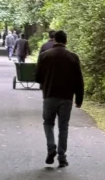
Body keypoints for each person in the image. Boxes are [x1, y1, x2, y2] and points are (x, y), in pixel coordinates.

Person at [36, 30, 84, 169]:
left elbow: (38, 77)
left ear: (54, 40)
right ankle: (62, 157)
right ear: (66, 41)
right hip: (66, 97)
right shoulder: (73, 57)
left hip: (49, 95)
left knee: (48, 123)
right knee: (63, 127)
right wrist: (79, 99)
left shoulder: (45, 56)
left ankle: (51, 147)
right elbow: (78, 80)